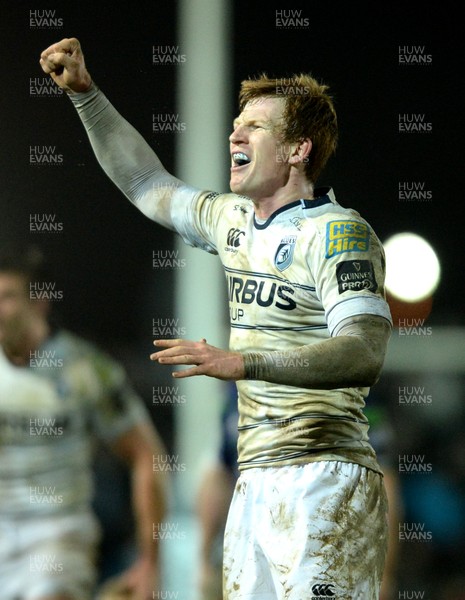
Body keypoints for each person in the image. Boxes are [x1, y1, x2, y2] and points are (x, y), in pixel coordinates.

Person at [40, 38, 393, 599]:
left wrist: (241, 361)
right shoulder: (231, 221)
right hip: (252, 480)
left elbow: (364, 352)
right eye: (236, 124)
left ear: (299, 149)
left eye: (254, 126)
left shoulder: (338, 233)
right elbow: (144, 183)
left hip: (323, 473)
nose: (235, 135)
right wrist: (87, 96)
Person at [0, 246, 168, 600]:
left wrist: (150, 562)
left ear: (39, 302)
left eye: (7, 297)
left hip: (56, 530)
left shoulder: (86, 370)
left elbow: (145, 456)